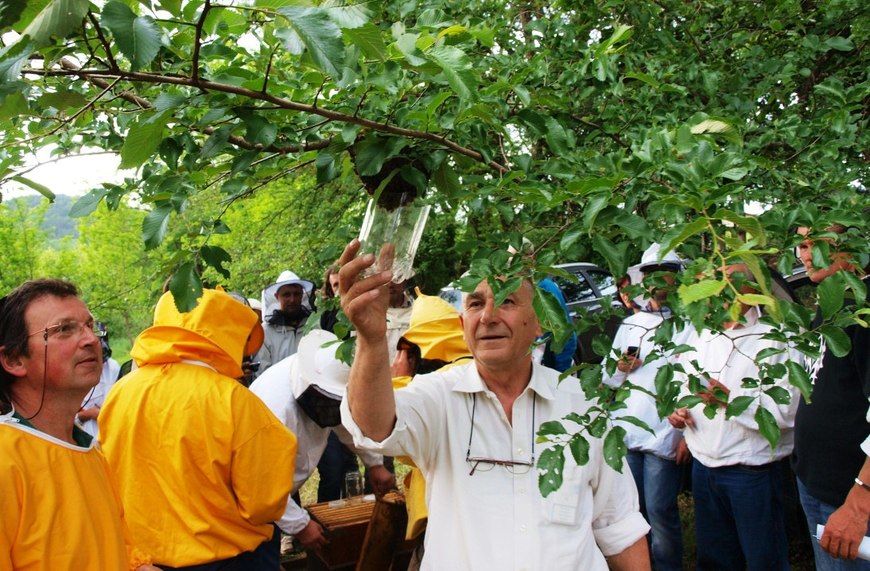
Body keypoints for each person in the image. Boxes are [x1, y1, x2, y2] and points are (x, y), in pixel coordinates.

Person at [337, 240, 651, 570]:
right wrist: (370, 340)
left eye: (507, 301)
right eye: (475, 304)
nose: (488, 316)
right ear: (462, 325)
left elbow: (619, 527)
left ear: (540, 322)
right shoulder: (438, 399)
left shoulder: (583, 406)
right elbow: (371, 428)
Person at [99, 287, 298, 570]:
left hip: (144, 559)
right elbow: (262, 504)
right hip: (230, 559)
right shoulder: (233, 399)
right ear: (225, 334)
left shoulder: (121, 392)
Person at [0, 279, 156, 570]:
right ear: (13, 359)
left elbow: (117, 548)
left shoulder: (90, 451)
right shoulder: (6, 460)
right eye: (63, 329)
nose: (90, 339)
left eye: (89, 325)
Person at [668, 264, 803, 571]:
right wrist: (678, 411)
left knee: (764, 560)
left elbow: (789, 412)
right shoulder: (703, 333)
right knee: (715, 559)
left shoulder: (778, 338)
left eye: (728, 282)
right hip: (705, 468)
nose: (717, 291)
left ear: (750, 289)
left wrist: (731, 402)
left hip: (752, 472)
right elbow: (683, 383)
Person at [249, 330, 395, 551]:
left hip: (272, 496)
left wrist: (374, 463)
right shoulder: (275, 412)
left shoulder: (324, 378)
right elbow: (259, 483)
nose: (332, 406)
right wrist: (300, 525)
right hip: (246, 506)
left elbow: (342, 420)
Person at [602, 245, 688, 571]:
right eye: (652, 274)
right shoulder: (632, 323)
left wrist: (686, 436)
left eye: (666, 272)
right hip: (628, 430)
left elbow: (695, 380)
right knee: (631, 511)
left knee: (661, 510)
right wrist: (621, 367)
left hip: (665, 433)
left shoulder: (688, 325)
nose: (659, 281)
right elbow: (610, 378)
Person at [792, 224, 869, 569]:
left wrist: (859, 502)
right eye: (799, 245)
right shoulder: (835, 301)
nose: (803, 255)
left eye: (813, 244)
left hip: (848, 495)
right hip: (817, 483)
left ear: (850, 247)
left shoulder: (863, 311)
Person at [256, 270, 315, 375]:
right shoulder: (265, 332)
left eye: (296, 294)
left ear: (302, 295)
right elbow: (262, 371)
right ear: (277, 296)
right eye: (286, 295)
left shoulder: (313, 325)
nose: (292, 300)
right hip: (278, 388)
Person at [76, 321, 121, 438]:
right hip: (86, 435)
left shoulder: (112, 368)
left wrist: (101, 413)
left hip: (112, 432)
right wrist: (85, 415)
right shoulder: (72, 371)